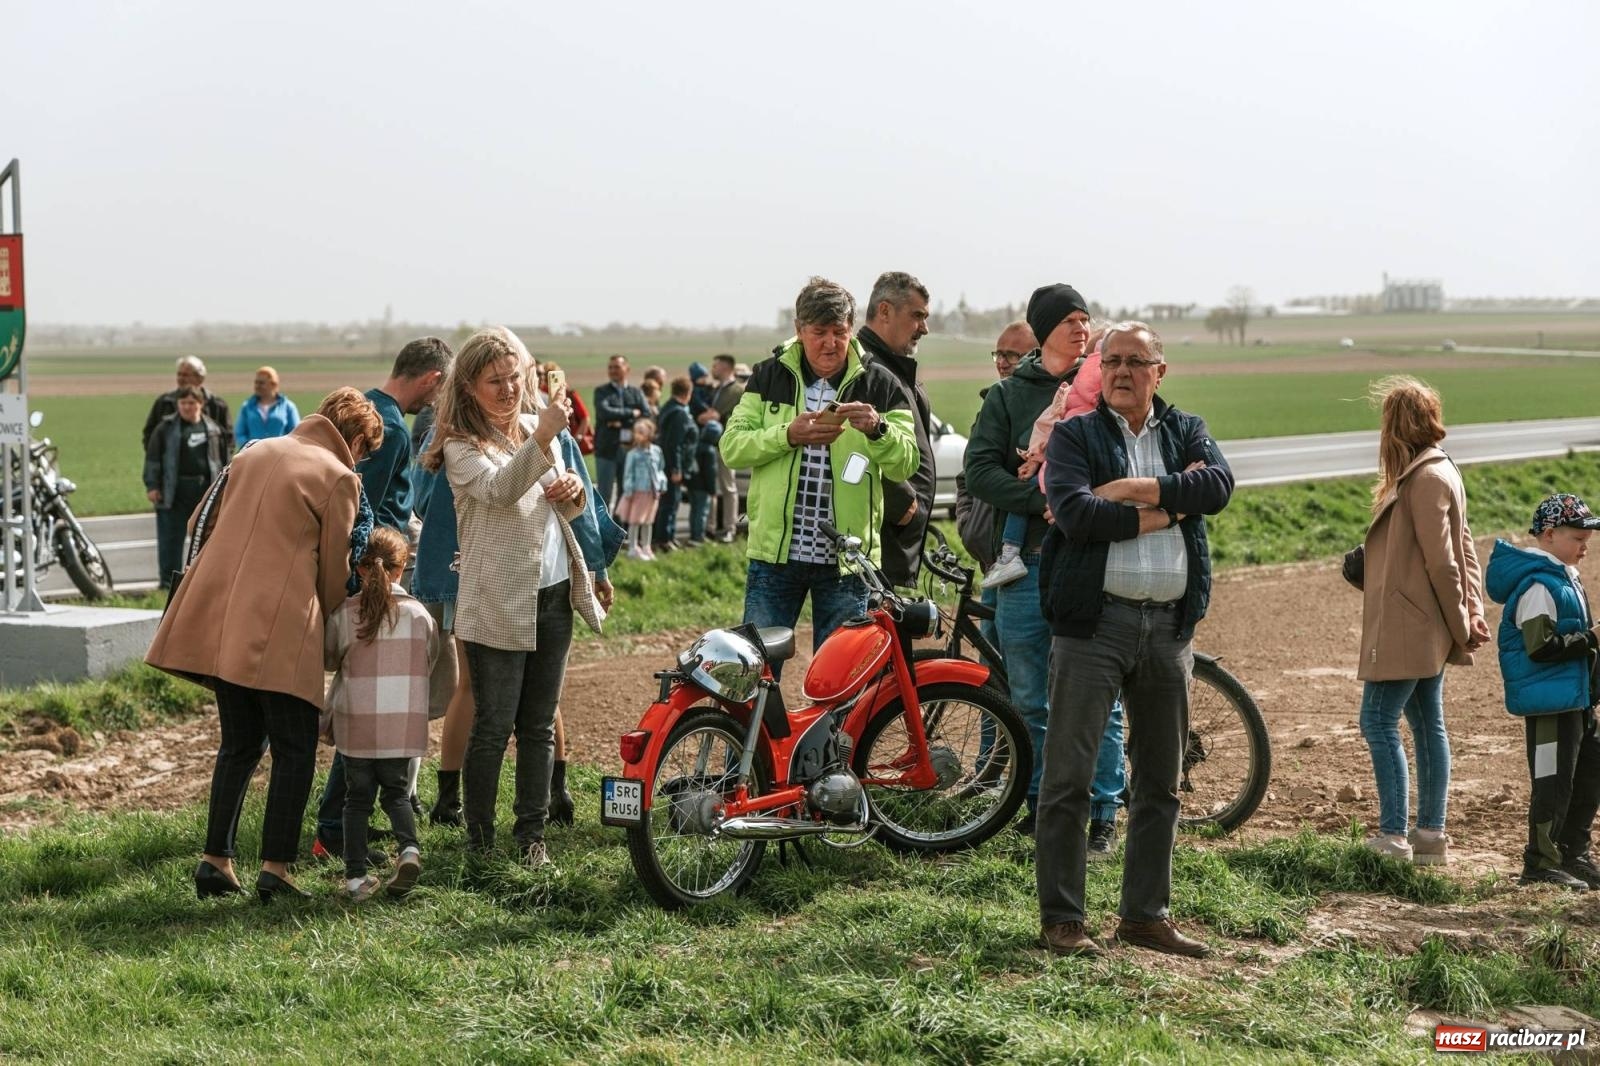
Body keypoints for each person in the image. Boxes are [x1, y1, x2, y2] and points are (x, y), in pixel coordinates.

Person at [1036, 320, 1234, 959]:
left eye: (1135, 361)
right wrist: (1173, 507)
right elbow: (1075, 514)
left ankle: (1145, 917)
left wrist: (1130, 491)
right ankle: (1063, 919)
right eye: (1111, 360)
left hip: (1169, 628)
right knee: (1068, 779)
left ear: (1159, 372)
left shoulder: (1186, 430)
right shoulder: (1076, 434)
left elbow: (1218, 486)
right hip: (1094, 627)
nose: (1121, 371)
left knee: (1160, 782)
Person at [147, 387, 380, 902]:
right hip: (283, 625)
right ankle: (276, 869)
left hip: (221, 617)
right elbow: (333, 573)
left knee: (239, 744)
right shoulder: (340, 477)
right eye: (365, 450)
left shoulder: (252, 451)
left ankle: (215, 860)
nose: (361, 460)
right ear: (357, 440)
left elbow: (197, 523)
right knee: (295, 749)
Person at [426, 326, 613, 866]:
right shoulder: (462, 447)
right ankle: (480, 844)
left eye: (514, 378)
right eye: (495, 381)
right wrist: (546, 437)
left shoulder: (532, 427)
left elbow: (566, 506)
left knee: (538, 724)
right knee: (494, 725)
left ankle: (532, 837)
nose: (509, 389)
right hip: (497, 600)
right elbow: (502, 490)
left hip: (552, 593)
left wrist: (572, 491)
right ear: (468, 387)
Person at [967, 286, 1120, 839]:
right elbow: (980, 470)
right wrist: (1041, 500)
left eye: (1085, 319)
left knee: (1097, 699)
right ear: (1043, 329)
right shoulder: (1007, 396)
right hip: (1026, 566)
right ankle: (1041, 806)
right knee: (1030, 697)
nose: (1081, 328)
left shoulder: (1104, 381)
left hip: (1090, 560)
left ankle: (1101, 813)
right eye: (1069, 320)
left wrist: (1079, 502)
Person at [720, 276, 918, 665]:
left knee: (841, 674)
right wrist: (787, 435)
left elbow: (907, 462)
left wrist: (878, 430)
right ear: (799, 330)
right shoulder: (768, 375)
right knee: (757, 669)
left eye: (839, 332)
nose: (830, 343)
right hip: (775, 557)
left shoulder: (880, 382)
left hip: (847, 560)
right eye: (819, 332)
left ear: (851, 329)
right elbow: (732, 448)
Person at [1356, 376, 1488, 865]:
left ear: (1395, 425)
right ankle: (1430, 836)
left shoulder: (1425, 477)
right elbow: (1465, 548)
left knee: (1377, 720)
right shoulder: (1440, 468)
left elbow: (1445, 562)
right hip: (1426, 621)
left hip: (1412, 624)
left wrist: (1463, 623)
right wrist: (1472, 611)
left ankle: (1393, 838)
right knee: (1427, 722)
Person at [323, 527, 449, 900]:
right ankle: (408, 850)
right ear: (401, 568)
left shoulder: (346, 614)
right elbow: (429, 658)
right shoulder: (419, 615)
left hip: (356, 725)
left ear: (359, 568)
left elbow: (329, 658)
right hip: (401, 725)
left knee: (356, 801)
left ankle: (356, 879)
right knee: (396, 795)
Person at [1485, 494, 1600, 891]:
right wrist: (1592, 638)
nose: (1585, 547)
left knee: (1588, 775)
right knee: (1553, 783)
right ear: (1549, 534)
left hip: (1575, 701)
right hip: (1551, 706)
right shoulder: (1538, 586)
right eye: (1578, 539)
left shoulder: (1566, 578)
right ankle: (1540, 863)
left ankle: (1572, 854)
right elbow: (1540, 648)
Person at [991, 326, 1111, 589]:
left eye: (1011, 355)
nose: (1002, 362)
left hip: (1062, 460)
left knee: (1030, 489)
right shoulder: (1092, 381)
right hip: (1067, 461)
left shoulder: (1083, 380)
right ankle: (1009, 553)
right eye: (999, 354)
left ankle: (1009, 553)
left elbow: (1052, 424)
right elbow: (976, 474)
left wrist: (1037, 457)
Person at [857, 271, 934, 588]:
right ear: (885, 311)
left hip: (895, 546)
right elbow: (854, 442)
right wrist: (903, 504)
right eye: (917, 316)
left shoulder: (892, 366)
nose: (924, 328)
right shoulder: (865, 370)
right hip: (879, 546)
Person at [361, 337, 454, 531]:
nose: (434, 403)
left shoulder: (363, 405)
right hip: (381, 544)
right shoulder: (392, 429)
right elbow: (365, 505)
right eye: (441, 390)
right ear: (431, 379)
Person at [144, 385, 227, 591]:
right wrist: (153, 485)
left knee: (207, 538)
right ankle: (168, 584)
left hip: (205, 490)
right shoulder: (165, 429)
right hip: (174, 491)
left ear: (201, 404)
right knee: (170, 539)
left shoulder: (213, 429)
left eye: (191, 403)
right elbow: (153, 459)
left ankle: (204, 582)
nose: (187, 407)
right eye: (183, 403)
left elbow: (224, 461)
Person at [142, 355, 232, 458]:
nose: (181, 379)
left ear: (200, 378)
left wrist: (219, 461)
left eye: (185, 375)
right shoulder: (164, 403)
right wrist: (157, 458)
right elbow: (150, 434)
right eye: (179, 374)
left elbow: (228, 439)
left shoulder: (216, 405)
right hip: (171, 464)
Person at [593, 354, 649, 509]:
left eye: (617, 367)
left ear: (627, 369)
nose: (613, 370)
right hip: (606, 450)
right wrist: (632, 413)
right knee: (604, 494)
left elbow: (646, 414)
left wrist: (621, 422)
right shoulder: (601, 392)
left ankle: (619, 525)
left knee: (625, 493)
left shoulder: (636, 392)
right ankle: (603, 525)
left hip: (630, 450)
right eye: (610, 367)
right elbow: (604, 412)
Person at [653, 376, 700, 552]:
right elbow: (675, 444)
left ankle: (668, 536)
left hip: (664, 462)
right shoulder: (679, 413)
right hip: (672, 465)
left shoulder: (668, 407)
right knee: (670, 502)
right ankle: (664, 539)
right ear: (688, 393)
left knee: (669, 501)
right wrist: (676, 468)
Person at [707, 354, 745, 541]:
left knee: (728, 487)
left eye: (716, 366)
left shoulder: (736, 391)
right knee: (712, 488)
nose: (712, 369)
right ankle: (711, 528)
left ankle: (730, 528)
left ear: (725, 367)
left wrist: (712, 417)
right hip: (712, 444)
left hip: (726, 446)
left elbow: (716, 414)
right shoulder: (717, 389)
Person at [617, 417, 666, 560]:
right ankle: (633, 548)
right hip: (638, 491)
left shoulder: (657, 451)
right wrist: (629, 490)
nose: (637, 435)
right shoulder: (633, 454)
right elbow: (628, 474)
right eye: (636, 432)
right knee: (635, 520)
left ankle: (646, 546)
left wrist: (662, 484)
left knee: (648, 520)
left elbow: (660, 469)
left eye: (641, 432)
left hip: (652, 492)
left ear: (650, 434)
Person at [234, 366, 300, 449]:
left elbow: (296, 434)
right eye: (256, 382)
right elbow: (239, 434)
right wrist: (249, 447)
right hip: (254, 453)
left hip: (279, 452)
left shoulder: (287, 407)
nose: (257, 386)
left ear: (273, 384)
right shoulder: (247, 407)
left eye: (261, 383)